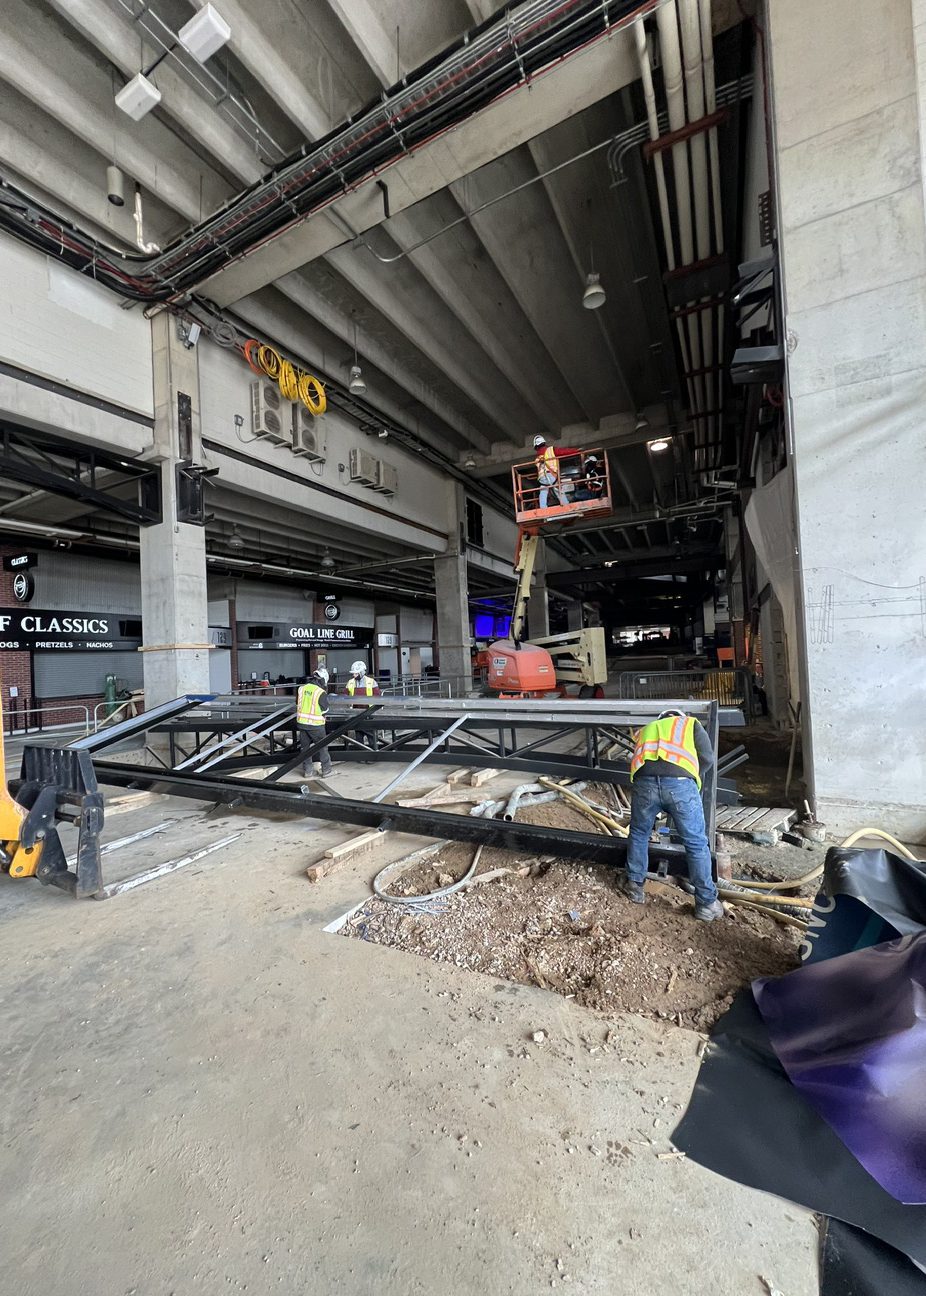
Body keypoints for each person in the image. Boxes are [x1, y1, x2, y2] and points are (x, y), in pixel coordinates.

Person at [622, 708, 724, 921]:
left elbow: (635, 757)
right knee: (695, 843)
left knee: (639, 834)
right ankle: (706, 903)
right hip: (679, 785)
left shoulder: (648, 729)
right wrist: (690, 774)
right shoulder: (689, 724)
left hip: (644, 784)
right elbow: (707, 757)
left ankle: (634, 886)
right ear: (680, 716)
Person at [295, 667, 332, 777]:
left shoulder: (301, 689)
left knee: (304, 748)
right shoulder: (320, 692)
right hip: (316, 725)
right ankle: (326, 770)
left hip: (302, 723)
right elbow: (325, 709)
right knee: (322, 747)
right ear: (323, 680)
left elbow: (297, 703)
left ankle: (308, 771)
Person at [533, 434, 567, 508]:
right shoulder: (551, 450)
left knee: (543, 491)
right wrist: (576, 451)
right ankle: (566, 505)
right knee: (558, 490)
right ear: (544, 443)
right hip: (551, 476)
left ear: (536, 447)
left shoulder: (537, 459)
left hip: (543, 479)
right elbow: (563, 452)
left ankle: (543, 508)